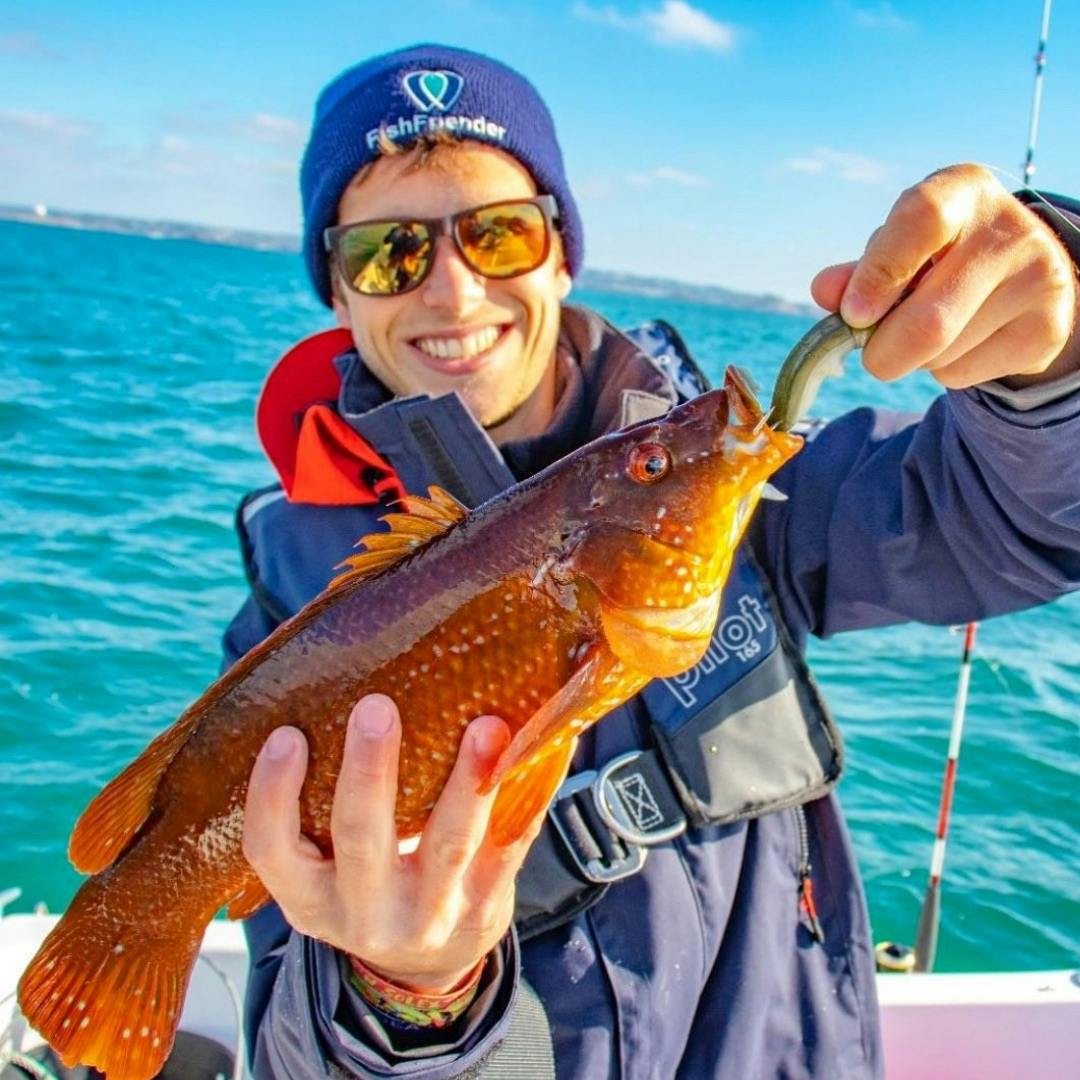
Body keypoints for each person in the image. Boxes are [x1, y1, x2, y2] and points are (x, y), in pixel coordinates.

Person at [222, 43, 1080, 1079]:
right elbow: (284, 1036)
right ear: (337, 292)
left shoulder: (713, 487)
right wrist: (405, 994)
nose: (452, 291)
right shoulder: (287, 605)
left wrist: (1059, 360)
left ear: (561, 254)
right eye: (389, 254)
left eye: (499, 232)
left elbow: (1021, 518)